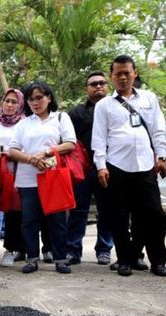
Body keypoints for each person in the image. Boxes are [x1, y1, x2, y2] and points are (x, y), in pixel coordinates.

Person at [92, 55, 166, 277]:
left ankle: (158, 261)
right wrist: (100, 166)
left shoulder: (149, 98)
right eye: (118, 74)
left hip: (146, 166)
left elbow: (158, 129)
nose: (123, 77)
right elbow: (99, 138)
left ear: (135, 73)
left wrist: (162, 156)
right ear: (111, 77)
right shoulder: (104, 105)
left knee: (154, 215)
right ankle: (124, 260)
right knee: (119, 215)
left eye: (127, 72)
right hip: (116, 166)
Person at [8, 81, 77, 274]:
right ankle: (31, 258)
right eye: (31, 99)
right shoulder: (23, 123)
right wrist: (31, 159)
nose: (35, 102)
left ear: (49, 98)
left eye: (39, 97)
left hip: (52, 176)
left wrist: (46, 153)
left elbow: (71, 143)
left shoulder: (60, 118)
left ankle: (60, 259)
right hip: (27, 178)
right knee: (29, 220)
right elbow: (12, 150)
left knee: (56, 219)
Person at [67, 72, 114, 266]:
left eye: (102, 83)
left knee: (107, 210)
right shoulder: (76, 113)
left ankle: (104, 249)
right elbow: (68, 141)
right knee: (78, 211)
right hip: (83, 170)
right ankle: (73, 250)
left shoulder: (116, 109)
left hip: (109, 168)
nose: (98, 87)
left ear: (107, 86)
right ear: (86, 89)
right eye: (93, 84)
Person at [0, 88, 26, 267]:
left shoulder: (24, 123)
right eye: (7, 101)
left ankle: (11, 249)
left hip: (17, 172)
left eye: (14, 102)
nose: (10, 105)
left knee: (14, 213)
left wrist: (11, 153)